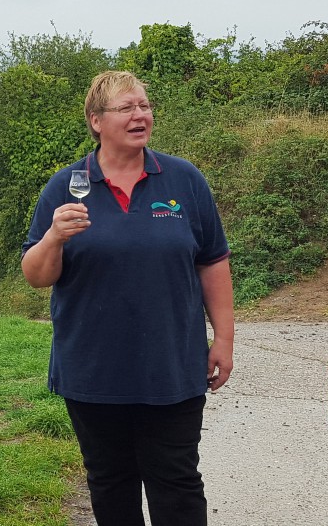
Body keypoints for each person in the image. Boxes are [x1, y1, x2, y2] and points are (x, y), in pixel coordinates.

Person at [20, 70, 235, 526]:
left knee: (176, 482)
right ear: (96, 120)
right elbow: (36, 275)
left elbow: (213, 262)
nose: (141, 115)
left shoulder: (184, 180)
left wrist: (224, 340)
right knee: (110, 482)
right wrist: (54, 238)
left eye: (145, 105)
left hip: (172, 365)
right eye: (127, 108)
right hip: (93, 368)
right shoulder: (67, 186)